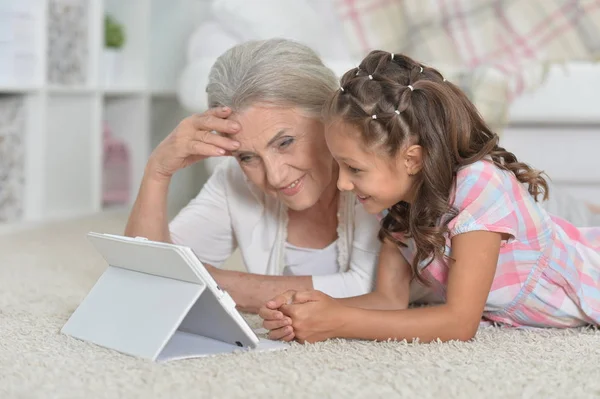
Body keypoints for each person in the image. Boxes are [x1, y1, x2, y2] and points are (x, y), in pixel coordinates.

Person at [259, 50, 600, 344]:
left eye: (353, 169)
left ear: (412, 159)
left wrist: (338, 322)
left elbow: (459, 323)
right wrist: (316, 309)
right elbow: (389, 299)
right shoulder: (393, 202)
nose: (342, 184)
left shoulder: (478, 187)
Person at [123, 39, 386, 322]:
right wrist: (158, 171)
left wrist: (218, 282)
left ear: (328, 116)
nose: (275, 176)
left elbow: (373, 289)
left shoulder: (372, 165)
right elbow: (145, 278)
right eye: (247, 157)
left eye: (285, 142)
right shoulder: (236, 180)